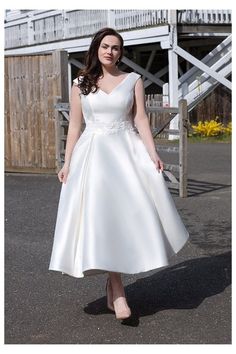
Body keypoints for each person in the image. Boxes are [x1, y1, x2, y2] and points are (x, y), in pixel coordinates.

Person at [49, 27, 189, 321]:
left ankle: (116, 287)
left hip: (127, 155)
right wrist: (67, 162)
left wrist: (153, 153)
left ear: (120, 52)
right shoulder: (81, 84)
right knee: (103, 218)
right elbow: (75, 127)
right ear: (96, 48)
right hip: (94, 158)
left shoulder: (133, 80)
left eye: (116, 47)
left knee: (129, 217)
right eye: (105, 46)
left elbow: (140, 118)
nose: (110, 51)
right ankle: (119, 289)